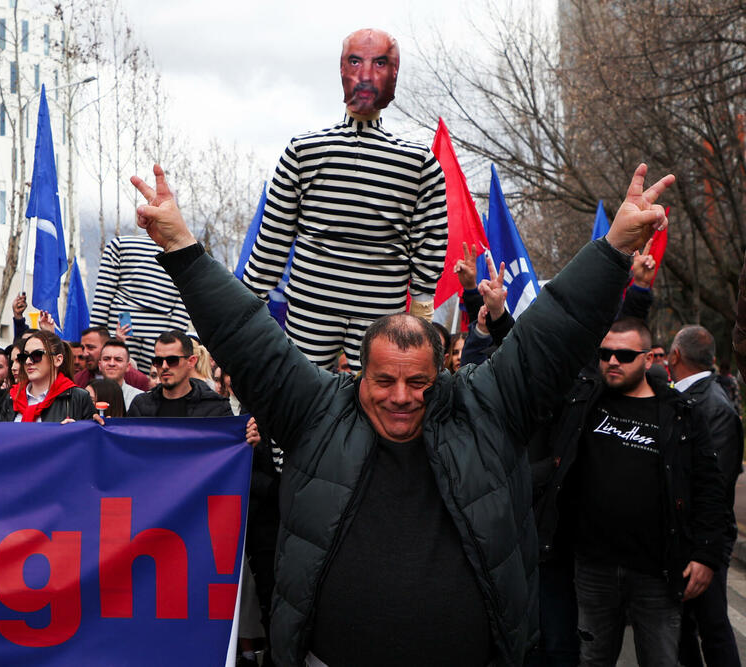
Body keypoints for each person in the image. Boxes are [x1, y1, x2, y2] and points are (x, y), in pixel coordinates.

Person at [131, 162, 675, 665]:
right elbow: (246, 335)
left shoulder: (487, 406)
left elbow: (556, 328)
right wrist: (180, 245)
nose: (400, 396)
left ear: (441, 374)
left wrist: (614, 248)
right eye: (383, 380)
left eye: (418, 381)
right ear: (358, 374)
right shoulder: (317, 410)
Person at [241, 28, 447, 373]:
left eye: (380, 63)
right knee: (301, 398)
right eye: (356, 61)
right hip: (311, 306)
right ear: (342, 69)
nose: (366, 74)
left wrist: (421, 317)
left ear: (394, 73)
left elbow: (430, 243)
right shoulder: (303, 151)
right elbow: (272, 240)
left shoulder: (419, 163)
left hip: (381, 313)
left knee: (377, 404)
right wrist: (245, 312)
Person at [533, 318, 723, 666]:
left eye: (624, 354)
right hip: (593, 569)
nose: (613, 361)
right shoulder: (584, 402)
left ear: (649, 359)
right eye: (606, 353)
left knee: (662, 659)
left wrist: (706, 555)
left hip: (658, 573)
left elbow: (709, 487)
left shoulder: (680, 413)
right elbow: (540, 366)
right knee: (592, 659)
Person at [670, 326, 743, 667]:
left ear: (675, 356)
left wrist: (704, 551)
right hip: (685, 534)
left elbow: (716, 485)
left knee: (711, 625)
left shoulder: (712, 406)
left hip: (702, 539)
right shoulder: (687, 398)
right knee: (682, 624)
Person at [89, 234, 192, 372]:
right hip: (140, 329)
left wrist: (95, 342)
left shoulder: (120, 245)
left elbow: (102, 299)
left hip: (131, 325)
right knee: (149, 384)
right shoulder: (186, 254)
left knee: (130, 382)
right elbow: (183, 306)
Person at [0, 331, 94, 423]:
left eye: (37, 355)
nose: (28, 362)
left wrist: (74, 433)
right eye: (24, 356)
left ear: (58, 360)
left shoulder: (78, 398)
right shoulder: (12, 397)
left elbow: (92, 439)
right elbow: (2, 438)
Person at [127, 331, 232, 418]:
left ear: (191, 361)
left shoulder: (216, 407)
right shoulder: (140, 405)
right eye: (158, 361)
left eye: (172, 360)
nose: (164, 366)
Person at [73, 326, 150, 390]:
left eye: (90, 347)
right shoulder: (78, 380)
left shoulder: (137, 380)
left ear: (106, 347)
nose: (85, 354)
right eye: (83, 348)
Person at [97, 338, 143, 410]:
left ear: (128, 366)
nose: (112, 363)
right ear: (99, 365)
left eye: (118, 360)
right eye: (106, 359)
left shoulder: (139, 398)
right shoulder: (89, 396)